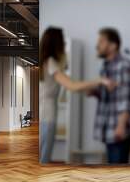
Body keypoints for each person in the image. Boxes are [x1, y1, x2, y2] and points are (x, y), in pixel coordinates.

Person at [39, 27, 116, 164]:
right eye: (61, 41)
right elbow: (71, 85)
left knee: (43, 156)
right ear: (56, 43)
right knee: (44, 158)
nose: (63, 44)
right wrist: (100, 80)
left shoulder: (46, 61)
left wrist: (87, 90)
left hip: (45, 114)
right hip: (47, 116)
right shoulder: (51, 62)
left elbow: (69, 85)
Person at [89, 27, 130, 164]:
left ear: (113, 45)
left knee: (117, 173)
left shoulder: (124, 66)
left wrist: (121, 126)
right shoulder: (106, 66)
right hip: (109, 127)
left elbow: (127, 98)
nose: (97, 45)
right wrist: (95, 91)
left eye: (101, 41)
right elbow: (110, 95)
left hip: (119, 129)